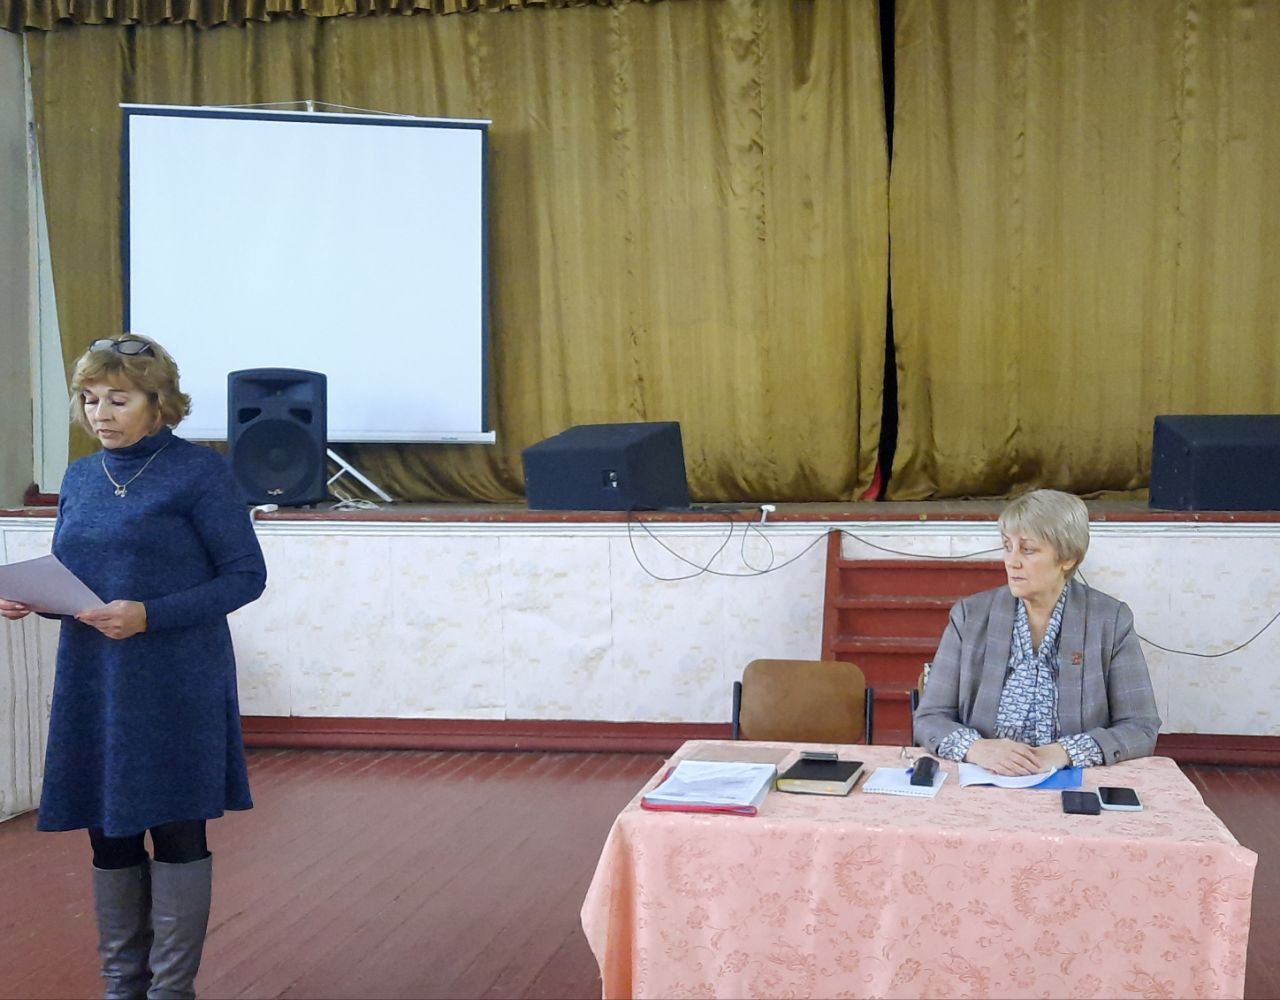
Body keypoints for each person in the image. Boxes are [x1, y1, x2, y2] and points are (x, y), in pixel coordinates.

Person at [0, 335, 267, 999]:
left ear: (158, 401)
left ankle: (171, 990)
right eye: (90, 400)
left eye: (118, 399)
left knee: (176, 829)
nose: (101, 414)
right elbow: (81, 581)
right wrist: (35, 600)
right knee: (109, 836)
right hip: (95, 681)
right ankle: (123, 986)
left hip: (176, 678)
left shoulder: (200, 473)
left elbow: (245, 577)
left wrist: (150, 614)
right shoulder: (82, 477)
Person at [913, 489, 1159, 774]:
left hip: (1072, 779)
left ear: (1069, 558)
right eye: (1007, 546)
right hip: (984, 777)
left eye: (1027, 550)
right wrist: (977, 748)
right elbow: (930, 718)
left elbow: (1140, 728)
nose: (1012, 561)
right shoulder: (970, 616)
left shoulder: (1109, 620)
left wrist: (1065, 752)